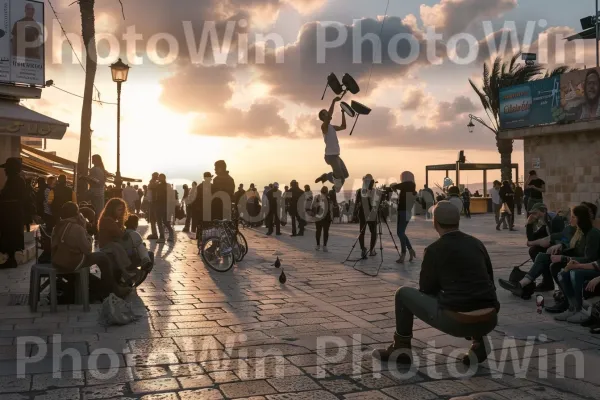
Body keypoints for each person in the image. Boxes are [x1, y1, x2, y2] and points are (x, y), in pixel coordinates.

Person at [372, 201, 499, 365]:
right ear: (458, 220)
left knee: (402, 294)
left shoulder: (434, 250)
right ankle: (479, 343)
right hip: (489, 319)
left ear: (435, 222)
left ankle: (401, 348)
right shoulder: (476, 243)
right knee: (472, 292)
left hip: (458, 322)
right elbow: (489, 279)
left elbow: (426, 289)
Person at [499, 204, 600, 304]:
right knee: (541, 256)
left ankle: (567, 298)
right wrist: (561, 246)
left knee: (554, 266)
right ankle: (522, 284)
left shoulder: (592, 233)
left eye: (573, 217)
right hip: (572, 258)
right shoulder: (578, 231)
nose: (570, 220)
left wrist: (563, 258)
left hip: (583, 264)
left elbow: (589, 258)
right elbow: (567, 243)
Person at [51, 202, 126, 300]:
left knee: (100, 260)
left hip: (57, 261)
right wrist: (87, 233)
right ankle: (112, 290)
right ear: (77, 213)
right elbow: (88, 250)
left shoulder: (57, 227)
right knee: (103, 258)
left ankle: (110, 288)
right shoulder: (77, 228)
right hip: (71, 263)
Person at [519, 203, 566, 291]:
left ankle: (533, 282)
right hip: (552, 247)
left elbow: (558, 238)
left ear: (544, 211)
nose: (534, 216)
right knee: (534, 250)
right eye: (532, 214)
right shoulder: (545, 223)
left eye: (536, 213)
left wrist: (539, 242)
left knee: (541, 255)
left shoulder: (555, 220)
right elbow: (531, 239)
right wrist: (529, 224)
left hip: (561, 249)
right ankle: (547, 282)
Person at [0, 158, 30, 269]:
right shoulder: (13, 180)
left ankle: (11, 260)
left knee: (11, 237)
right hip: (9, 214)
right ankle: (10, 259)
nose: (5, 171)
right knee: (8, 237)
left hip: (12, 215)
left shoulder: (17, 180)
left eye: (6, 168)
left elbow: (17, 197)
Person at [315, 97, 348, 193]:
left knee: (345, 175)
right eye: (325, 114)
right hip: (330, 156)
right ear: (323, 118)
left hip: (336, 156)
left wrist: (343, 112)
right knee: (341, 180)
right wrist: (333, 101)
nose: (328, 114)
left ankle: (327, 176)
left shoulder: (332, 127)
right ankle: (334, 192)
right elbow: (330, 116)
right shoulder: (324, 126)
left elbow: (343, 127)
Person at [391, 172, 417, 264]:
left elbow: (394, 186)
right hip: (404, 211)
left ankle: (403, 254)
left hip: (404, 212)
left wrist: (393, 187)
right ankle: (410, 250)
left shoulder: (408, 184)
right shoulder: (410, 186)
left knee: (400, 232)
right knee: (401, 233)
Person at [354, 174, 378, 259]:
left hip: (362, 213)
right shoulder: (374, 191)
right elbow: (375, 203)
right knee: (374, 232)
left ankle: (363, 249)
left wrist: (354, 214)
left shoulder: (359, 191)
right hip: (371, 213)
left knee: (362, 232)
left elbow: (356, 204)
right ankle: (371, 250)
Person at [155, 174, 175, 244]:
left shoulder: (167, 186)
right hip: (159, 205)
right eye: (159, 177)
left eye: (160, 177)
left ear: (164, 178)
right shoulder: (158, 185)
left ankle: (171, 235)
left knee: (165, 222)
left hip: (164, 205)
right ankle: (162, 237)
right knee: (159, 222)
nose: (159, 178)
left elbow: (171, 195)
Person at [313, 186, 333, 251]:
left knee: (318, 231)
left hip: (318, 217)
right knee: (325, 232)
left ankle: (318, 245)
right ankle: (324, 246)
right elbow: (330, 208)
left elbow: (314, 206)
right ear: (327, 192)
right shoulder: (328, 198)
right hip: (326, 217)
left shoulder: (317, 197)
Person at [87, 155, 107, 221]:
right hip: (100, 193)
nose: (91, 160)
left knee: (94, 210)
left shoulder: (94, 169)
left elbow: (96, 181)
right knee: (99, 210)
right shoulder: (102, 169)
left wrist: (86, 178)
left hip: (94, 192)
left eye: (92, 159)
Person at [146, 173, 159, 240]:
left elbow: (151, 190)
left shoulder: (154, 183)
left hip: (153, 203)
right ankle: (155, 233)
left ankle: (155, 234)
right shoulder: (156, 183)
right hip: (153, 203)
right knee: (154, 219)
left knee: (153, 219)